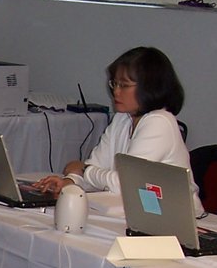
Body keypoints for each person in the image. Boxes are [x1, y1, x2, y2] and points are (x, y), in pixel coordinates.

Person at [33, 46, 202, 216]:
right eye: (115, 83)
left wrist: (84, 169)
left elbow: (126, 184)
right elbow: (97, 167)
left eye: (124, 85)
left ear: (150, 88)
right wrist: (70, 182)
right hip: (143, 213)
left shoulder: (159, 122)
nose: (116, 91)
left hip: (179, 218)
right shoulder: (122, 119)